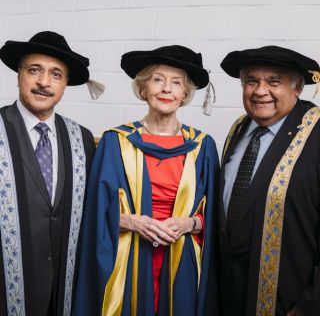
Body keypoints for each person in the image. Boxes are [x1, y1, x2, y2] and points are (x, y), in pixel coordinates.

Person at [73, 45, 220, 315]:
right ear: (144, 89)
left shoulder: (203, 147)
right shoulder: (115, 142)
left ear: (184, 94)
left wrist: (188, 223)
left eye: (176, 83)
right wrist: (132, 221)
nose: (167, 89)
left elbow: (215, 220)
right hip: (128, 257)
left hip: (181, 259)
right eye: (158, 79)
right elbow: (93, 212)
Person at [0, 31, 97, 316]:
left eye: (56, 74)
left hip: (64, 289)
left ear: (65, 84)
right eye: (34, 71)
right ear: (19, 75)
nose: (44, 82)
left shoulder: (81, 139)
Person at [218, 45, 320, 315]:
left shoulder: (316, 135)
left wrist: (310, 305)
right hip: (228, 292)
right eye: (252, 81)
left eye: (274, 81)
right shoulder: (239, 128)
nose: (260, 91)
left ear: (297, 88)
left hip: (289, 298)